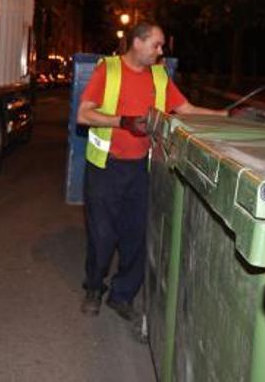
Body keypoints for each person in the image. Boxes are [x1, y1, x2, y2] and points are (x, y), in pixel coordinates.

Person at [76, 22, 226, 319]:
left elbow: (187, 110)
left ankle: (122, 295)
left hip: (141, 170)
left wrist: (226, 116)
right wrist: (124, 122)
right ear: (137, 43)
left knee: (136, 235)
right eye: (156, 45)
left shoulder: (160, 76)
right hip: (105, 168)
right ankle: (94, 287)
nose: (161, 51)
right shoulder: (109, 70)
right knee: (102, 235)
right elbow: (83, 114)